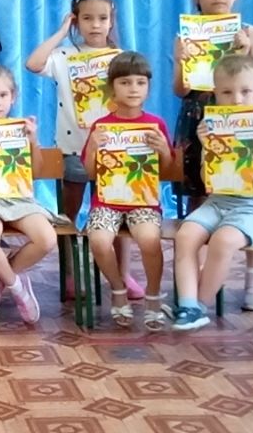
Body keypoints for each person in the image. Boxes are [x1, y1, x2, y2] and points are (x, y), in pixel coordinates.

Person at [25, 0, 143, 301]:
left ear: (111, 20)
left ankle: (122, 273)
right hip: (73, 149)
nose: (95, 25)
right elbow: (33, 64)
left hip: (114, 150)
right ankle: (70, 273)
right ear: (76, 21)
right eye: (87, 18)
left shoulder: (119, 58)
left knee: (118, 214)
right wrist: (61, 32)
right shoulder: (65, 56)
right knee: (70, 215)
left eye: (102, 18)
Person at [172, 0, 253, 310]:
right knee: (200, 197)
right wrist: (183, 60)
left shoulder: (251, 33)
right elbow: (180, 89)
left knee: (249, 193)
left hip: (242, 122)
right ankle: (197, 282)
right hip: (198, 118)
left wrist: (244, 54)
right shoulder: (187, 35)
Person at [173, 55, 253, 331]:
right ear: (215, 94)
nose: (237, 99)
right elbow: (207, 181)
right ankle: (187, 304)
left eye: (246, 91)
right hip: (217, 204)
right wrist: (207, 147)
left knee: (223, 241)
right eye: (227, 92)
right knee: (185, 236)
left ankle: (199, 306)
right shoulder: (212, 130)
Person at [83, 52, 173, 332]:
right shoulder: (101, 126)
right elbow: (90, 174)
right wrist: (94, 147)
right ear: (112, 87)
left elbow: (167, 172)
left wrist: (163, 151)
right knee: (99, 240)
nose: (133, 89)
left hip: (143, 203)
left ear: (148, 87)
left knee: (149, 239)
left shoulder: (156, 124)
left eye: (140, 82)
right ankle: (118, 289)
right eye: (125, 82)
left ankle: (153, 295)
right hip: (106, 202)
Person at [0, 65, 56, 324]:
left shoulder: (21, 128)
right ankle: (17, 288)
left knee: (47, 239)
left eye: (3, 95)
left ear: (13, 97)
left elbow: (35, 172)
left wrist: (33, 141)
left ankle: (2, 276)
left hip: (18, 197)